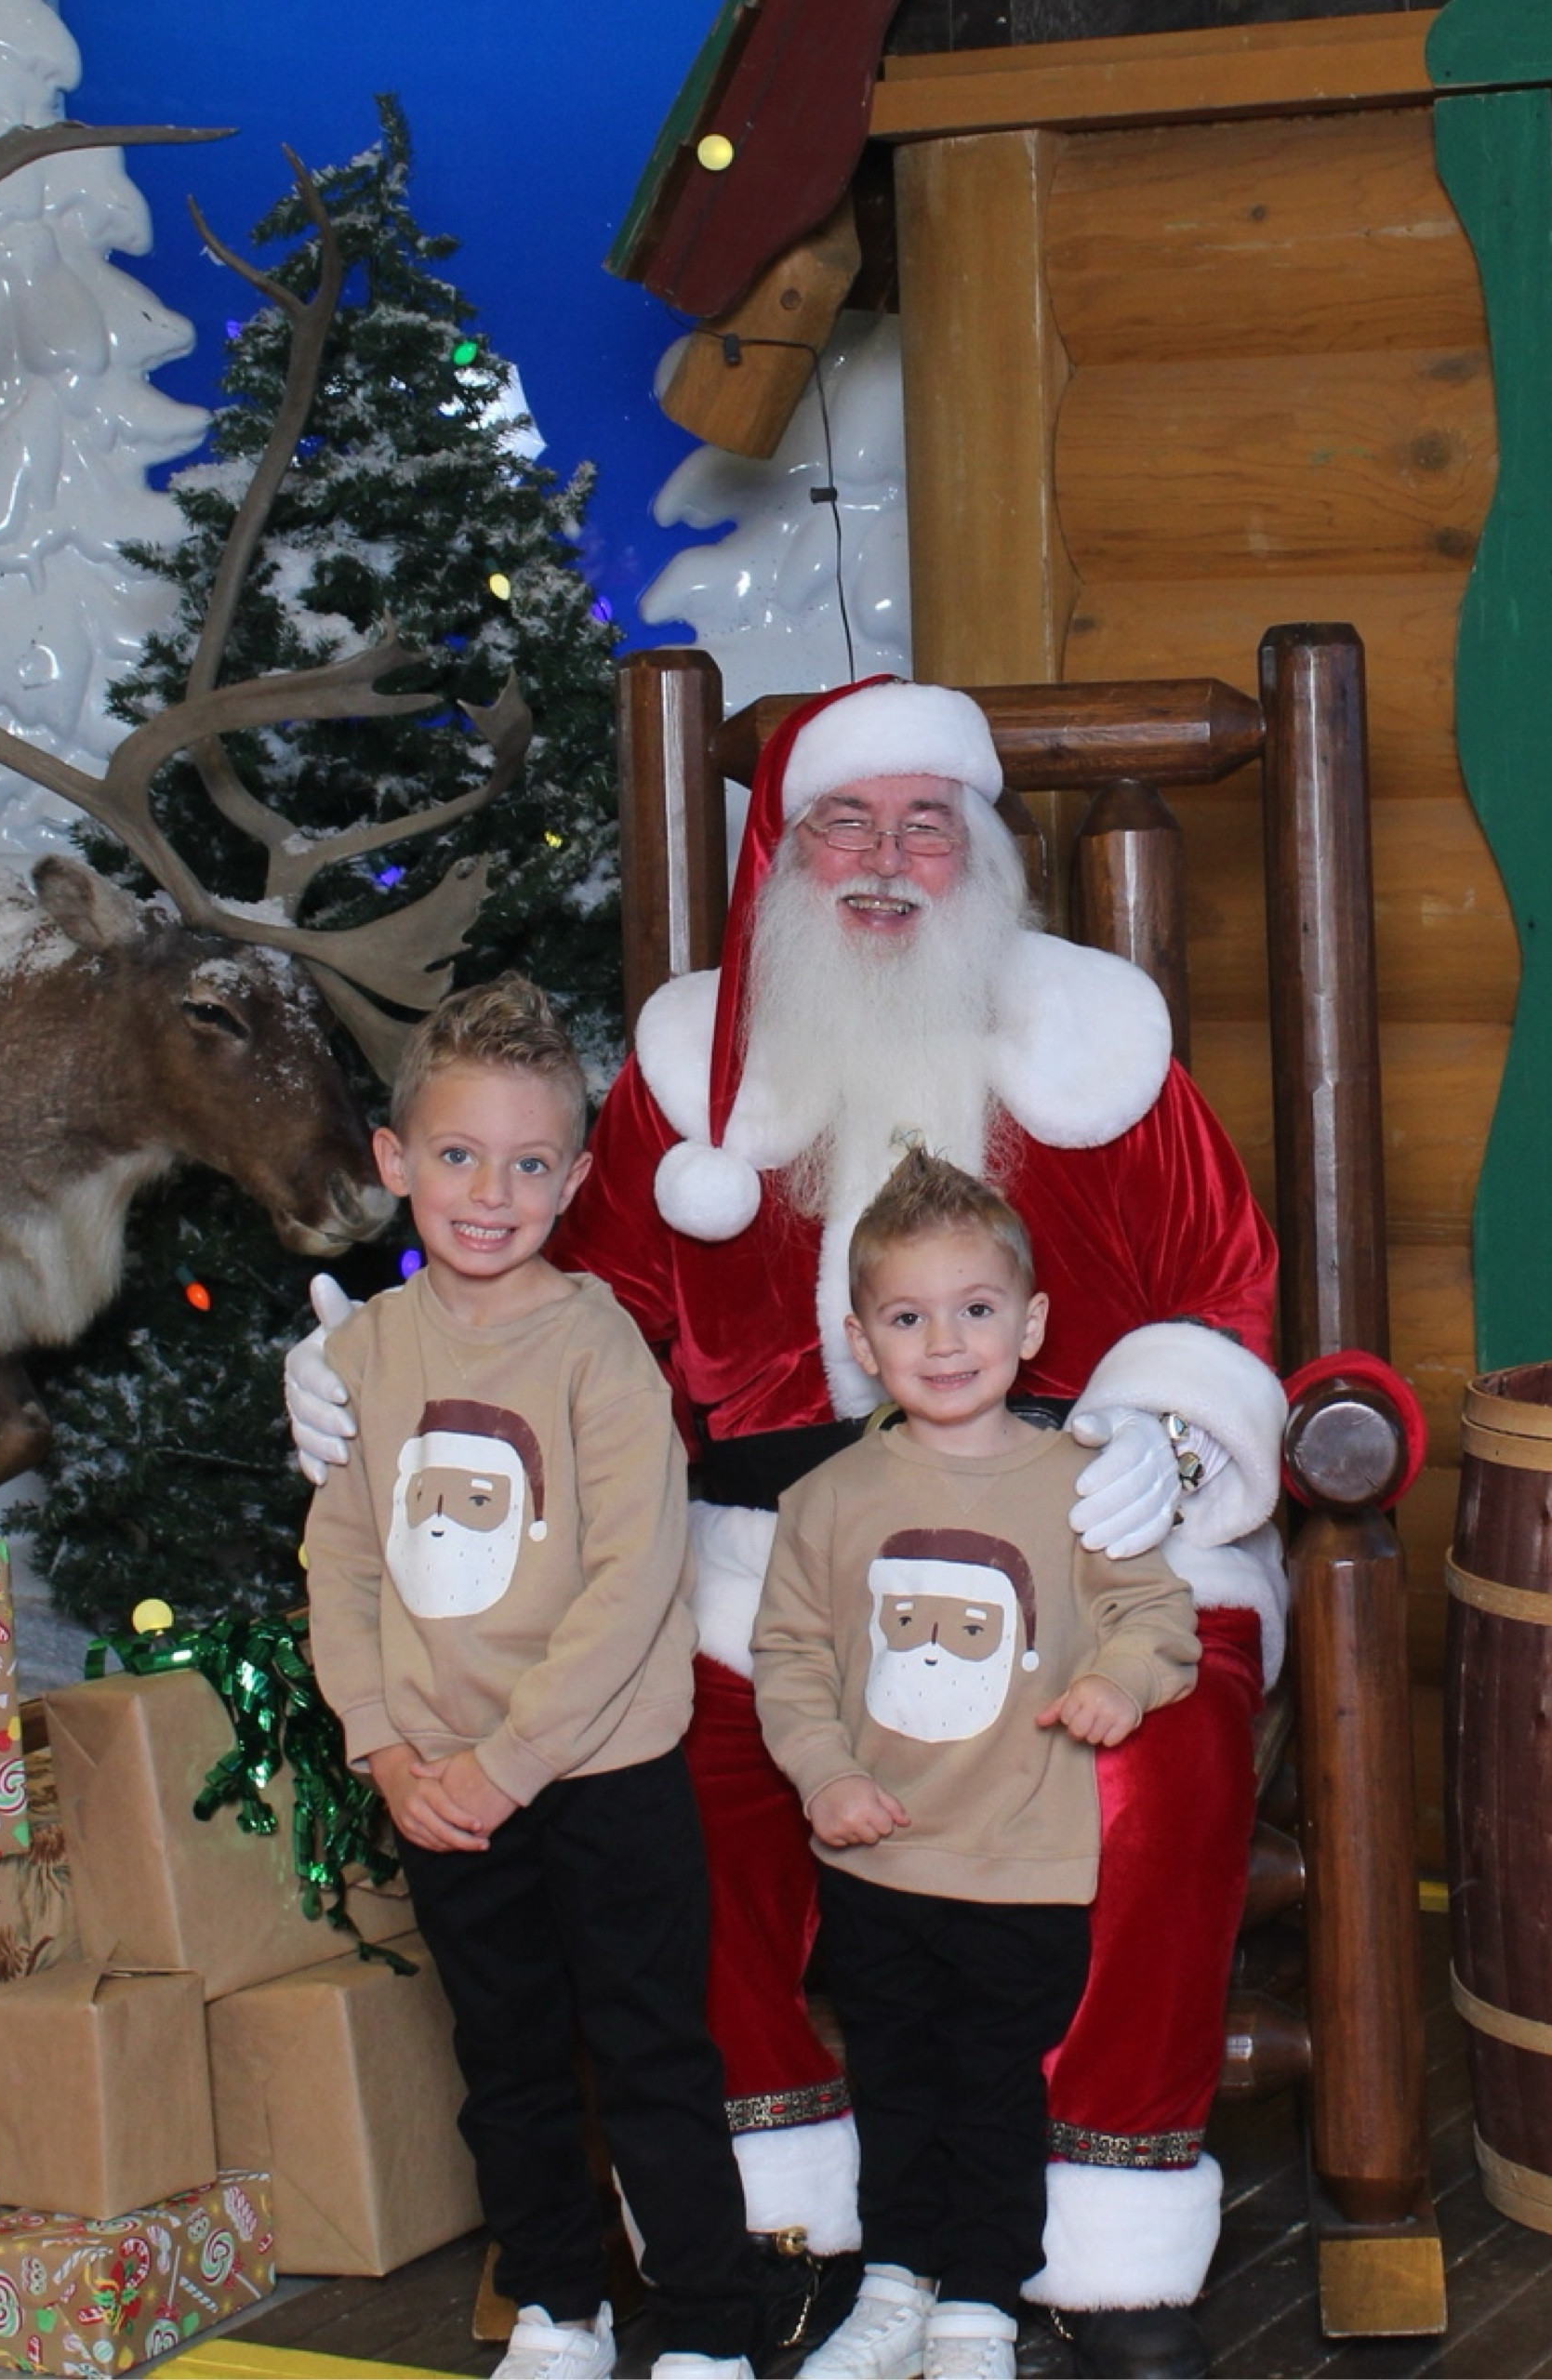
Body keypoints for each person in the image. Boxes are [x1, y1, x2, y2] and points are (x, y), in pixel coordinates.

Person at [289, 679, 1290, 2380]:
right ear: (784, 851)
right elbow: (544, 1316)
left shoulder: (1104, 1065)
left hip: (1080, 1541)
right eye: (846, 821)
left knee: (1149, 1761)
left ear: (979, 852)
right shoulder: (695, 1086)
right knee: (657, 1775)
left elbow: (1223, 1295)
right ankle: (777, 2220)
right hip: (766, 1564)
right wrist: (358, 1386)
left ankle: (1098, 2227)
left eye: (926, 824)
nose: (888, 862)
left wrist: (1176, 1448)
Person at [301, 977, 785, 2380]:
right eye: (457, 1156)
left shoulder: (598, 1351)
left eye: (527, 1164)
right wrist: (389, 1750)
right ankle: (559, 2309)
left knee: (649, 2052)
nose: (490, 1191)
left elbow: (633, 1584)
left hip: (597, 1774)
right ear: (396, 1165)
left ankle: (706, 2324)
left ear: (574, 1181)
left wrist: (511, 1766)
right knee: (505, 2063)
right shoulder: (368, 1356)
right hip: (442, 1783)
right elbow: (341, 1565)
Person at [753, 1150, 1203, 2380]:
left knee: (995, 2091)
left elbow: (1159, 1617)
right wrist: (824, 1773)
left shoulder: (1076, 1490)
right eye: (907, 1316)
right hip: (878, 1854)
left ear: (1031, 1321)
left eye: (976, 1309)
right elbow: (787, 1657)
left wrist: (1120, 1679)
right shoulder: (829, 1499)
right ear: (861, 1336)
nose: (944, 1341)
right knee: (894, 2084)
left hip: (1023, 1860)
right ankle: (896, 2285)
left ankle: (983, 2307)